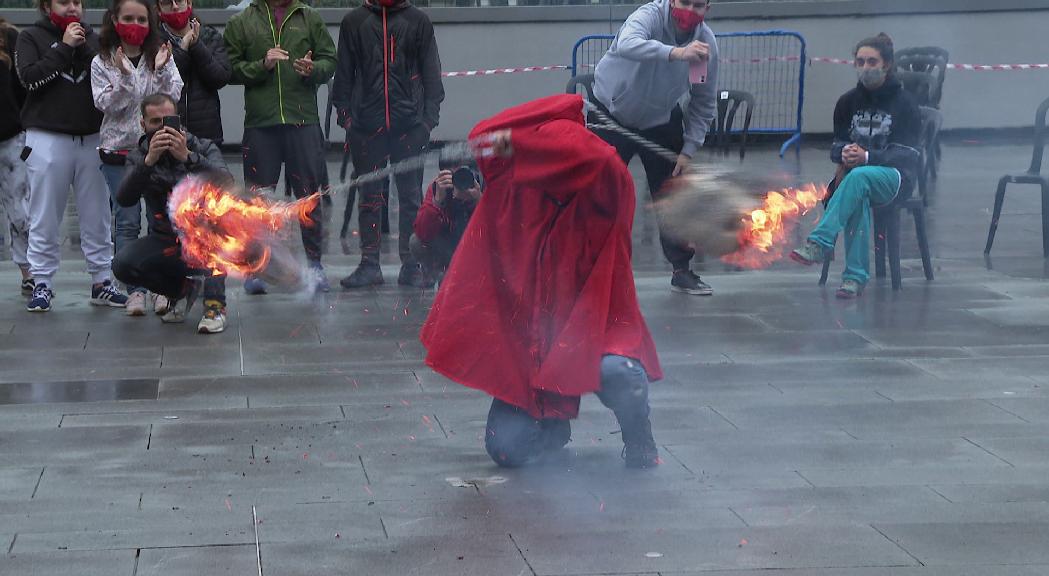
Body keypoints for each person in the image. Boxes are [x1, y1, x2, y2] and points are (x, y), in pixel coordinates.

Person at [421, 94, 663, 469]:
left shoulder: (600, 192)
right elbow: (484, 139)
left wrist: (524, 146)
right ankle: (552, 427)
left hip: (595, 329)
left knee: (619, 371)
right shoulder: (520, 194)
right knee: (506, 449)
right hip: (535, 346)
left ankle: (638, 436)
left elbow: (601, 163)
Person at [592, 0, 718, 296]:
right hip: (611, 113)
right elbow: (628, 44)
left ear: (707, 9)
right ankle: (587, 268)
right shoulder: (648, 16)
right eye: (685, 2)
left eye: (698, 5)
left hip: (660, 119)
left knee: (673, 194)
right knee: (598, 193)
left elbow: (703, 99)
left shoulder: (702, 45)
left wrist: (689, 149)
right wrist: (676, 53)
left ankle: (682, 270)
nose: (690, 10)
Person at [17, 0, 128, 312]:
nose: (72, 8)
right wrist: (63, 48)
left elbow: (111, 82)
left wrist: (86, 50)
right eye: (64, 2)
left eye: (77, 2)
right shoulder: (31, 38)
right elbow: (29, 79)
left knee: (97, 213)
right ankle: (42, 282)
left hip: (93, 136)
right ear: (45, 5)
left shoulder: (96, 39)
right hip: (47, 136)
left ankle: (102, 280)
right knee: (44, 213)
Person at [790, 33, 921, 299]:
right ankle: (854, 279)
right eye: (860, 62)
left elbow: (907, 154)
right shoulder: (847, 102)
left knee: (859, 177)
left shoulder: (905, 103)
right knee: (857, 191)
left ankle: (819, 242)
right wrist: (846, 153)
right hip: (855, 178)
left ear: (887, 64)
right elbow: (837, 145)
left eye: (872, 62)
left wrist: (867, 157)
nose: (865, 68)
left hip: (896, 178)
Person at [224, 0, 336, 295]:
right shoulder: (242, 21)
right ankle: (255, 267)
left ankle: (315, 264)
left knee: (310, 196)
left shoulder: (309, 16)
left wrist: (313, 69)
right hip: (261, 123)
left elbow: (329, 61)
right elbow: (229, 69)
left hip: (303, 120)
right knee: (257, 200)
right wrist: (262, 65)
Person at [332, 0, 445, 289]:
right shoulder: (353, 22)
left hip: (410, 127)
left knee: (410, 199)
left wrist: (427, 122)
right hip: (366, 128)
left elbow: (432, 76)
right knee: (369, 197)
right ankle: (370, 264)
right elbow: (343, 75)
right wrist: (346, 119)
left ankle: (412, 264)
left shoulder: (418, 21)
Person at [91, 0, 183, 316]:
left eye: (142, 18)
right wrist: (124, 75)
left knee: (162, 220)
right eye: (128, 18)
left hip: (159, 151)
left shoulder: (160, 54)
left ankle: (163, 289)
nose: (135, 23)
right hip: (119, 152)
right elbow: (106, 104)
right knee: (127, 221)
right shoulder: (102, 60)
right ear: (114, 20)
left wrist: (158, 69)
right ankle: (134, 292)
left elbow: (173, 96)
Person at [112, 93, 230, 332]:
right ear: (143, 125)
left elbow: (226, 182)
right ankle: (182, 291)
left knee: (216, 237)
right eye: (155, 123)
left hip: (208, 235)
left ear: (179, 120)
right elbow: (124, 199)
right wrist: (148, 162)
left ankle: (215, 306)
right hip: (166, 239)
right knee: (123, 264)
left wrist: (188, 157)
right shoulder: (139, 156)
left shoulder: (202, 146)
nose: (163, 129)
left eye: (169, 121)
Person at [156, 0, 231, 145]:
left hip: (206, 134)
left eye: (179, 1)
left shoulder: (209, 36)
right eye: (167, 3)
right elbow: (161, 83)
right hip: (167, 133)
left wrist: (196, 45)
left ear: (189, 3)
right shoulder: (154, 41)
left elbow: (220, 78)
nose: (175, 6)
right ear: (159, 10)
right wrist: (183, 48)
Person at [409, 165, 481, 287]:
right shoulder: (440, 186)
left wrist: (479, 201)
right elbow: (421, 232)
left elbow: (499, 230)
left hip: (477, 250)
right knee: (416, 242)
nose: (461, 180)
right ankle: (438, 272)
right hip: (447, 248)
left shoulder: (484, 184)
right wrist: (437, 202)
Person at [0, 18, 32, 295]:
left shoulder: (10, 37)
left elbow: (24, 87)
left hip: (10, 138)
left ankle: (28, 271)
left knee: (20, 210)